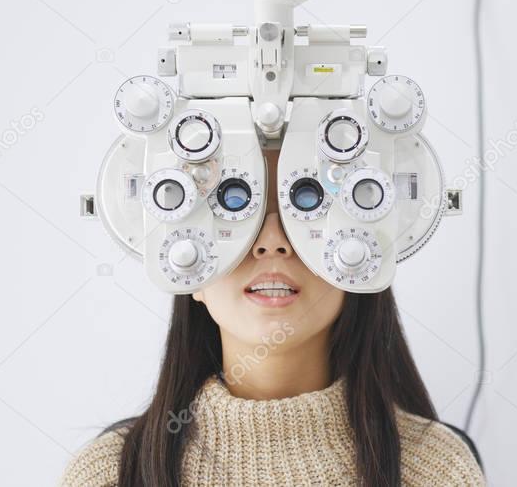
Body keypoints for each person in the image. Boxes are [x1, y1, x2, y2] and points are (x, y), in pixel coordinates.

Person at [60, 150, 484, 486]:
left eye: (307, 205)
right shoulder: (109, 476)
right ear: (190, 270)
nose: (273, 242)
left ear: (358, 260)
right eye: (234, 207)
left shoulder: (436, 472)